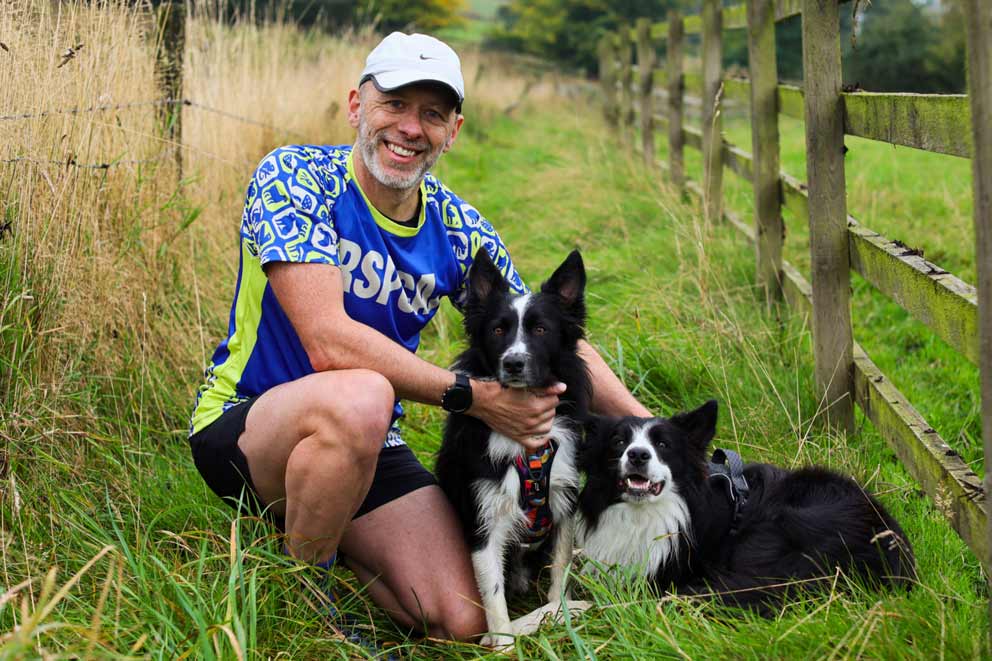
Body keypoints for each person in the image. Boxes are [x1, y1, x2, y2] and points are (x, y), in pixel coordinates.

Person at [187, 31, 652, 641]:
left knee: (460, 615)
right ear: (357, 106)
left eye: (432, 114)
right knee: (362, 397)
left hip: (371, 441)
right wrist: (470, 396)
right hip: (250, 426)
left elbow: (554, 334)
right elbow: (329, 341)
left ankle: (330, 528)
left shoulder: (458, 228)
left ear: (452, 132)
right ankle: (304, 602)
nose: (411, 127)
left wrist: (657, 431)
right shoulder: (295, 178)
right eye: (394, 105)